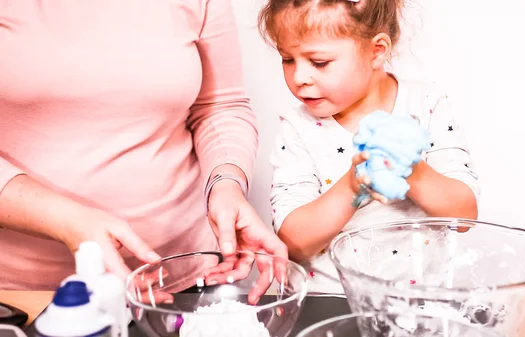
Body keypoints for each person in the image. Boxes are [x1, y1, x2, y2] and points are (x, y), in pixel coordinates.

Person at [0, 0, 287, 292]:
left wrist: (226, 185)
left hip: (182, 273)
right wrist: (64, 220)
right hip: (25, 294)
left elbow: (219, 106)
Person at [258, 0, 480, 294]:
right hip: (327, 302)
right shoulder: (299, 128)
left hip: (418, 302)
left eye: (319, 62)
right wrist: (353, 184)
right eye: (288, 59)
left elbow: (464, 216)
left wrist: (409, 169)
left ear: (377, 51)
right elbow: (293, 244)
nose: (299, 78)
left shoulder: (427, 106)